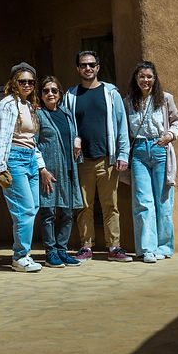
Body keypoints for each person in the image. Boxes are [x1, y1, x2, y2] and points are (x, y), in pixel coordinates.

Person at [61, 50, 131, 261]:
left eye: (91, 64)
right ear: (78, 69)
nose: (88, 68)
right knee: (84, 207)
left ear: (98, 67)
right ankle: (85, 246)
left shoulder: (111, 94)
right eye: (83, 65)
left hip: (107, 159)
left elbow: (122, 126)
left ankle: (114, 247)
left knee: (111, 205)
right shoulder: (71, 96)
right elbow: (66, 125)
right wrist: (74, 139)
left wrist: (123, 154)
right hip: (82, 161)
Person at [0, 63, 50, 274]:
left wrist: (41, 166)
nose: (27, 85)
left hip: (31, 160)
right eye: (22, 81)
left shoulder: (30, 106)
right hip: (14, 160)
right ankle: (20, 256)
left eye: (30, 82)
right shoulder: (8, 104)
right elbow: (3, 136)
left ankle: (23, 254)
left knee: (32, 209)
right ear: (14, 82)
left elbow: (32, 140)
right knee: (23, 210)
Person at [125, 60, 178, 263]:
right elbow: (124, 130)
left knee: (163, 201)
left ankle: (164, 246)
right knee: (143, 201)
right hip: (139, 150)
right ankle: (147, 248)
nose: (145, 80)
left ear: (154, 79)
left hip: (160, 150)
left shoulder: (165, 99)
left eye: (149, 76)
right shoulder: (129, 101)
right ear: (136, 79)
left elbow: (176, 122)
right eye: (142, 76)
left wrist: (169, 135)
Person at [37, 78, 83, 267]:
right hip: (49, 172)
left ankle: (62, 250)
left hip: (69, 169)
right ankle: (50, 253)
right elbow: (34, 143)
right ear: (41, 95)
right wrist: (42, 169)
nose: (50, 94)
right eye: (46, 90)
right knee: (48, 213)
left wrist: (77, 138)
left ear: (60, 94)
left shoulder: (66, 114)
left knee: (67, 213)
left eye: (54, 90)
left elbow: (73, 134)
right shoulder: (38, 115)